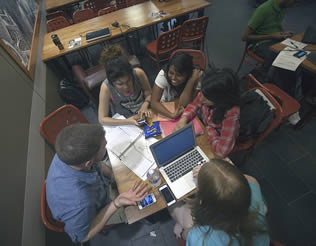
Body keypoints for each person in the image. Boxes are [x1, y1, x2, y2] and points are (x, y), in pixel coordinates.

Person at [46, 124, 148, 243]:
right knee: (137, 208)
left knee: (123, 167)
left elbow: (97, 163)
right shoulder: (79, 202)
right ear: (88, 163)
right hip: (92, 211)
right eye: (104, 147)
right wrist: (116, 203)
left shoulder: (67, 151)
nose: (107, 146)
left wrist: (114, 176)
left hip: (96, 188)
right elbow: (82, 237)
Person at [169, 159, 269, 246]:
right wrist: (215, 178)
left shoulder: (201, 239)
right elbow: (249, 179)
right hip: (256, 235)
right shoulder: (252, 186)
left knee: (176, 208)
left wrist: (182, 232)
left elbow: (189, 234)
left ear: (202, 202)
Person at [174, 68, 240, 158]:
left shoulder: (231, 113)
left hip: (216, 138)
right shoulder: (206, 93)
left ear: (221, 100)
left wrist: (209, 129)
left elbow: (222, 151)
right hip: (205, 130)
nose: (201, 99)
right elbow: (194, 105)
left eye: (206, 97)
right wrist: (183, 119)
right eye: (202, 93)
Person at [98, 56, 152, 126]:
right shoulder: (106, 87)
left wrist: (145, 104)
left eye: (128, 81)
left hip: (146, 114)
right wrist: (127, 121)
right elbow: (102, 119)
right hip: (124, 122)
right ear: (112, 83)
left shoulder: (138, 73)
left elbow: (149, 92)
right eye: (120, 84)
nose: (126, 87)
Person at [151, 52, 203, 119]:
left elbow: (184, 104)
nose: (173, 78)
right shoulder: (163, 74)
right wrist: (171, 115)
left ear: (187, 74)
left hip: (185, 106)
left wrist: (191, 80)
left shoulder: (197, 75)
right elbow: (154, 102)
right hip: (167, 103)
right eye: (171, 73)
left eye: (179, 75)